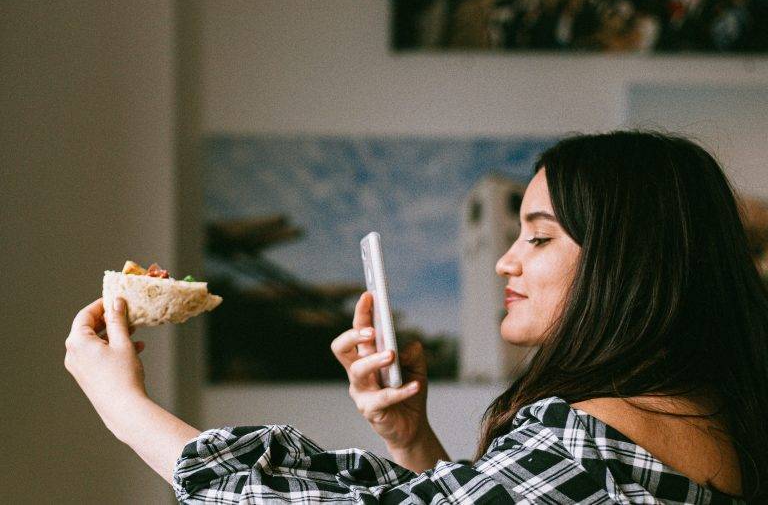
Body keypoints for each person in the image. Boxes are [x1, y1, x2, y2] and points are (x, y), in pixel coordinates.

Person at [65, 131, 767, 503]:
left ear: (629, 259)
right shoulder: (698, 419)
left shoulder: (594, 438)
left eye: (540, 236)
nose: (505, 260)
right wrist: (411, 437)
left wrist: (121, 405)